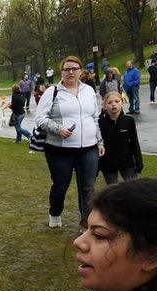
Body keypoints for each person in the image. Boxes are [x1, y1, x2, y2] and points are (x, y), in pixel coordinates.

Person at [35, 55, 104, 230]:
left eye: (74, 68)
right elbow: (40, 118)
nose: (71, 72)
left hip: (88, 148)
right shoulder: (53, 92)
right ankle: (55, 213)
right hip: (59, 149)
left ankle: (85, 224)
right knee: (61, 185)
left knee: (88, 187)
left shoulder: (88, 90)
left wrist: (99, 141)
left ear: (81, 71)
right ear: (61, 72)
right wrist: (58, 129)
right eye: (67, 69)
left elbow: (95, 118)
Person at [98, 91, 143, 184]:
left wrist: (139, 162)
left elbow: (134, 142)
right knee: (113, 191)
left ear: (122, 103)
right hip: (108, 164)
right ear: (104, 106)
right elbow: (97, 144)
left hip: (127, 163)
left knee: (133, 188)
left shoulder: (128, 120)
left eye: (117, 101)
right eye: (109, 102)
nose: (113, 104)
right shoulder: (100, 123)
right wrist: (97, 166)